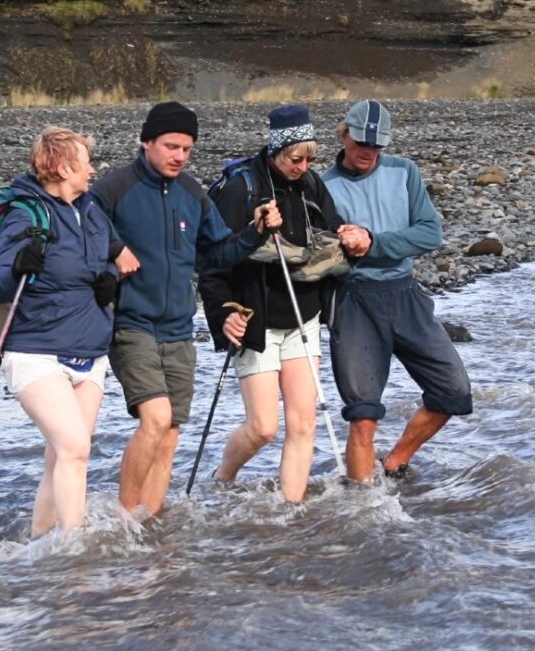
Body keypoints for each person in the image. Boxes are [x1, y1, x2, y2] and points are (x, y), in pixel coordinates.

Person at [92, 101, 281, 519]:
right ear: (146, 142)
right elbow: (82, 226)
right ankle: (124, 521)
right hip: (130, 323)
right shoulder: (114, 188)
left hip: (179, 329)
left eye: (187, 149)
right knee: (156, 419)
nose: (179, 156)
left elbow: (218, 252)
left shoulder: (193, 193)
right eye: (171, 146)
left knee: (171, 432)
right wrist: (115, 248)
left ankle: (151, 522)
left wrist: (256, 232)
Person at [320, 100, 473, 482]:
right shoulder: (323, 187)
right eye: (361, 143)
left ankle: (395, 461)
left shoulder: (404, 172)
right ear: (344, 135)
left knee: (453, 392)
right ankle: (362, 504)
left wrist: (374, 242)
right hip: (354, 303)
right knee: (363, 416)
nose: (369, 151)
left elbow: (430, 234)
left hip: (405, 297)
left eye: (377, 145)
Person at [0, 126, 121, 537]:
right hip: (36, 353)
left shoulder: (91, 210)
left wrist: (109, 279)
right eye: (86, 163)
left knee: (61, 457)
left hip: (90, 351)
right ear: (63, 168)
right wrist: (17, 267)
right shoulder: (25, 215)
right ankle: (75, 548)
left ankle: (39, 544)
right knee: (75, 449)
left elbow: (108, 258)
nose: (93, 170)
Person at [200, 105, 344, 501]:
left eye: (310, 159)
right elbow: (212, 261)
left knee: (304, 424)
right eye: (296, 159)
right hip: (256, 318)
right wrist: (223, 313)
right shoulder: (241, 188)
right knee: (263, 427)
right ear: (277, 150)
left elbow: (330, 230)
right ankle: (223, 478)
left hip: (303, 316)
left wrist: (349, 237)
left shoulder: (310, 184)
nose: (303, 167)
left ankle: (291, 511)